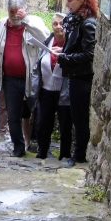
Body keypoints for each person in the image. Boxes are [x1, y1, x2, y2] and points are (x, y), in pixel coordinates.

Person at [0, 0, 49, 158]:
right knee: (13, 114)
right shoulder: (2, 25)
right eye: (11, 12)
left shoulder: (33, 22)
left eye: (18, 12)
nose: (14, 15)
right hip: (10, 79)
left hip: (31, 78)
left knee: (33, 112)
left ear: (25, 10)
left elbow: (46, 39)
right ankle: (18, 147)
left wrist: (27, 21)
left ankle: (35, 143)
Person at [52, 0, 98, 166]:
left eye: (70, 1)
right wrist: (62, 50)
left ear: (82, 0)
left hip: (82, 77)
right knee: (75, 116)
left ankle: (79, 155)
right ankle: (77, 153)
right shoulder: (76, 20)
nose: (67, 5)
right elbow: (75, 46)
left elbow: (89, 54)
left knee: (80, 117)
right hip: (75, 75)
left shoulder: (88, 23)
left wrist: (65, 57)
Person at [33, 12, 71, 160]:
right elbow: (39, 63)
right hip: (46, 89)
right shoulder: (48, 40)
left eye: (61, 24)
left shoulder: (70, 43)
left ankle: (65, 154)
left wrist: (64, 54)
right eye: (55, 24)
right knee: (43, 122)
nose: (58, 27)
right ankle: (42, 151)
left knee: (65, 123)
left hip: (64, 90)